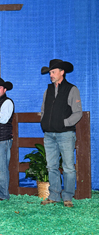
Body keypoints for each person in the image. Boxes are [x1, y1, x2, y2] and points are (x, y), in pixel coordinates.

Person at [40, 59, 82, 207]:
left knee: (68, 167)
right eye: (50, 72)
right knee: (51, 166)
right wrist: (45, 124)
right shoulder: (48, 90)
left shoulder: (72, 89)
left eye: (53, 72)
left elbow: (78, 113)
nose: (51, 75)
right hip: (49, 134)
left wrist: (64, 123)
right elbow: (44, 110)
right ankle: (54, 196)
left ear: (62, 72)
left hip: (65, 134)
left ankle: (68, 197)